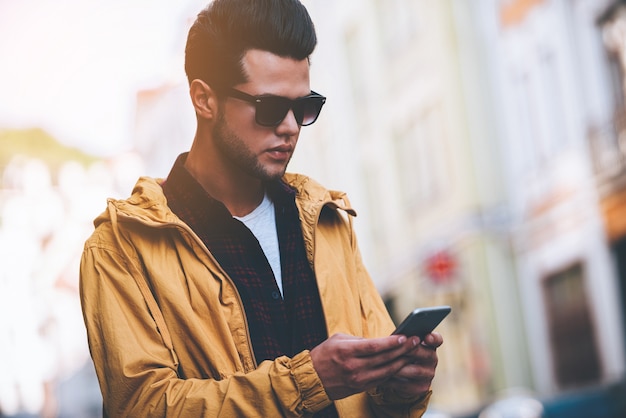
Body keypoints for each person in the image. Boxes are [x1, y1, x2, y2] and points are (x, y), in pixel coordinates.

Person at [79, 0, 444, 416]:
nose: (290, 126)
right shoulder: (122, 248)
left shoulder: (327, 219)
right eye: (270, 108)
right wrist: (308, 380)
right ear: (204, 99)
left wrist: (402, 387)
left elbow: (381, 407)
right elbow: (140, 408)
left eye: (304, 107)